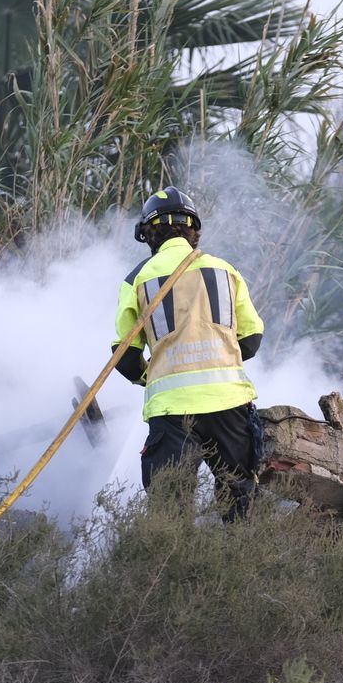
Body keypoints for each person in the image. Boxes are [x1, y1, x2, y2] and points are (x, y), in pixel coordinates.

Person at [112, 186, 264, 520]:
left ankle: (172, 572)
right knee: (240, 508)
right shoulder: (225, 270)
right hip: (229, 406)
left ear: (149, 235)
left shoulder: (136, 279)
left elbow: (123, 355)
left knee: (169, 516)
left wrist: (151, 373)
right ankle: (241, 567)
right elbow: (251, 339)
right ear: (193, 230)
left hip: (171, 413)